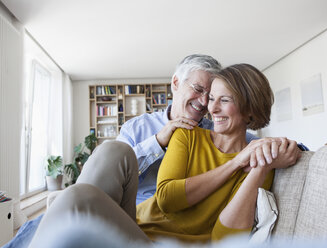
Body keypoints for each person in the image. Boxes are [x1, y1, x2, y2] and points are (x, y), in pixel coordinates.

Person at [29, 63, 300, 247]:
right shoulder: (186, 134)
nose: (210, 107)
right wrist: (235, 164)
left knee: (76, 197)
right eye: (208, 96)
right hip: (134, 227)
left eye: (223, 100)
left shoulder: (259, 158)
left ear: (250, 111)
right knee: (112, 152)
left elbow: (224, 239)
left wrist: (260, 166)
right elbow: (168, 199)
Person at [116, 54, 301, 205]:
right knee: (105, 163)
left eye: (211, 95)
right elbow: (115, 178)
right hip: (134, 215)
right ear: (176, 83)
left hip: (187, 218)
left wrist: (289, 148)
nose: (206, 103)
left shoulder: (217, 130)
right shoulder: (136, 128)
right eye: (198, 89)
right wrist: (157, 142)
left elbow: (254, 144)